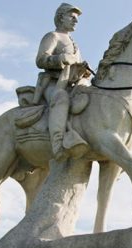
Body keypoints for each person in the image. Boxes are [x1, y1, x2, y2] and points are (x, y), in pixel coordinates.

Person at [34, 3, 89, 160]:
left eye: (76, 18)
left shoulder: (74, 43)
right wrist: (61, 58)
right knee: (61, 99)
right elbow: (40, 60)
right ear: (60, 17)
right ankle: (58, 145)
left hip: (72, 83)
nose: (75, 21)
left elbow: (74, 65)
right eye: (72, 17)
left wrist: (82, 69)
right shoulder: (53, 36)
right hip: (53, 83)